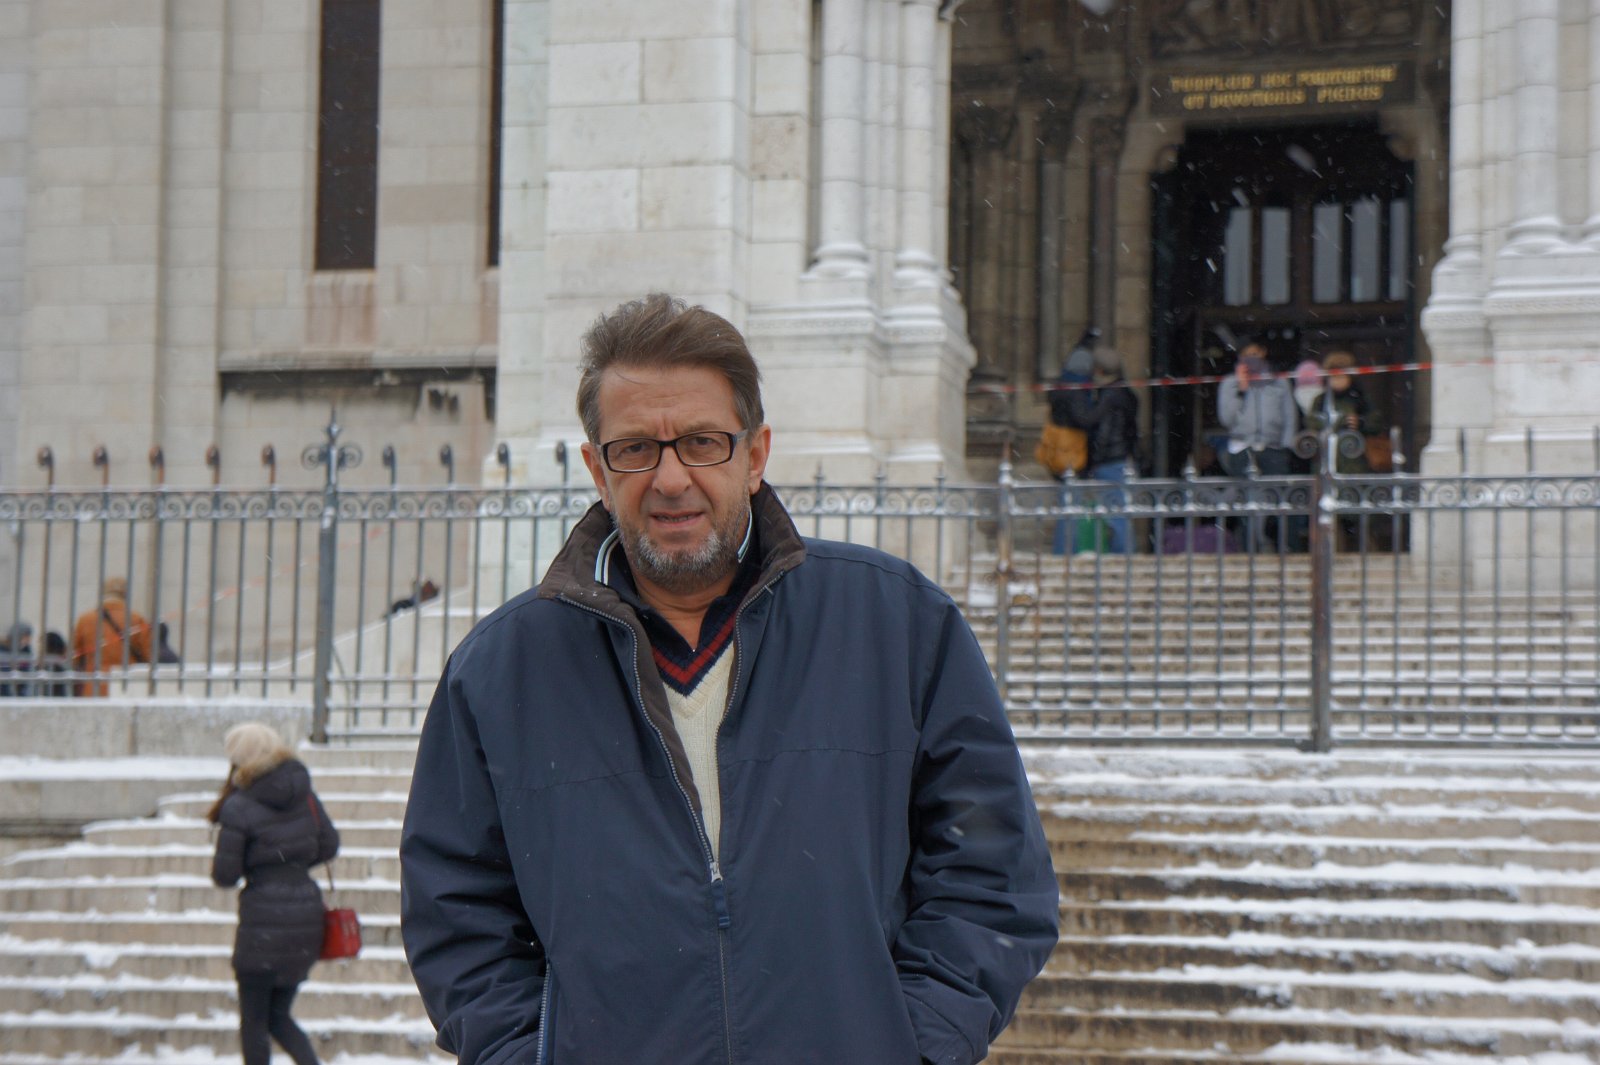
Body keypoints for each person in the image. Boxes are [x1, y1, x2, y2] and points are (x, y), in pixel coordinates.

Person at [400, 293, 1059, 1065]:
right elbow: (457, 914)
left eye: (703, 442)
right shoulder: (502, 670)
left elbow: (993, 869)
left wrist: (914, 1042)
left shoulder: (897, 624)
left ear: (755, 456)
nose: (671, 477)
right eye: (635, 449)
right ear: (597, 469)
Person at [209, 721, 339, 1065]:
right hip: (306, 920)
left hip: (263, 926)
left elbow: (225, 875)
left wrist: (264, 867)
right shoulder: (303, 792)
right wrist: (292, 863)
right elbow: (329, 844)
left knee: (254, 1021)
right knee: (278, 1015)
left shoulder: (239, 806)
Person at [1054, 344, 1139, 554]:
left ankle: (1124, 556)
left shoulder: (1111, 394)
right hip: (1114, 457)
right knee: (1115, 511)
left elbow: (1091, 420)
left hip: (1110, 459)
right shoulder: (1123, 392)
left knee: (1115, 513)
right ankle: (1123, 554)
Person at [1217, 340, 1299, 551]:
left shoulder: (1279, 382)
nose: (1252, 358)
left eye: (1255, 353)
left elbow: (1289, 416)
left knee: (1279, 498)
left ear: (1263, 353)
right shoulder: (1229, 383)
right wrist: (1241, 390)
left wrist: (1287, 445)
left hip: (1273, 447)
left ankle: (1284, 546)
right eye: (1247, 354)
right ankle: (1249, 547)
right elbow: (1227, 419)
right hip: (1242, 447)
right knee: (1247, 501)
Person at [71, 577, 153, 695]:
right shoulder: (136, 619)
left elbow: (74, 656)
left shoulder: (85, 620)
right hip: (125, 685)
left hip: (95, 684)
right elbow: (148, 655)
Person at [1305, 350, 1373, 475]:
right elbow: (1310, 422)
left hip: (1353, 462)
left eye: (1341, 376)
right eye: (1334, 377)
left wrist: (1360, 422)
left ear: (1350, 377)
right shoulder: (1320, 400)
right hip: (1324, 461)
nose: (1337, 381)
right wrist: (1326, 424)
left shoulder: (1358, 398)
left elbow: (1375, 422)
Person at [0, 622, 34, 696]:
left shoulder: (26, 649)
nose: (28, 640)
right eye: (25, 636)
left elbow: (26, 672)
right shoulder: (2, 648)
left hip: (20, 689)